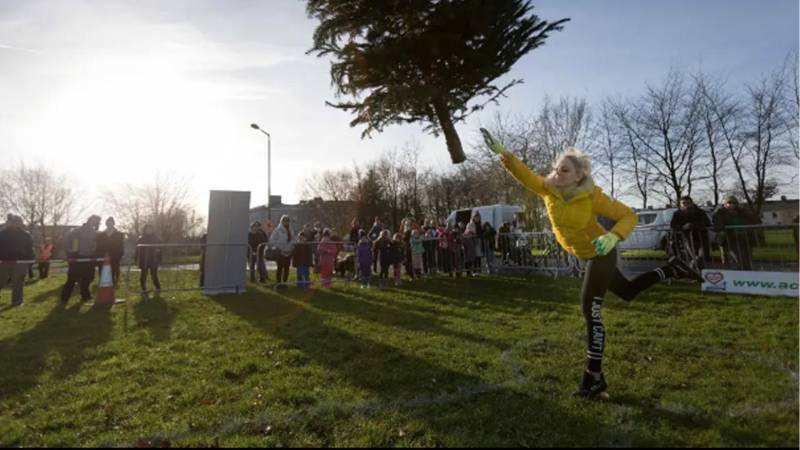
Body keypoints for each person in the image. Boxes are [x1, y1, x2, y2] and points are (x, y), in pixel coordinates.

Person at [487, 130, 701, 398]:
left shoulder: (592, 196)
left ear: (579, 175)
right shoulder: (547, 189)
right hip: (587, 255)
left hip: (602, 253)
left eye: (564, 170)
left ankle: (594, 378)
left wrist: (613, 236)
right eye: (555, 169)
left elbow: (627, 215)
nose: (556, 174)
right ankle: (672, 269)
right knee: (627, 291)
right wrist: (503, 154)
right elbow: (524, 174)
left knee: (590, 310)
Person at [61, 215, 101, 304]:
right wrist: (71, 253)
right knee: (72, 279)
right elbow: (67, 242)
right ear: (89, 220)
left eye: (97, 222)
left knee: (88, 278)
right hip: (77, 257)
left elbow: (95, 245)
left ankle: (85, 296)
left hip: (89, 258)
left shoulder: (95, 233)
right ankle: (64, 298)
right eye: (94, 221)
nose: (95, 223)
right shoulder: (77, 231)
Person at [712, 196, 760, 271]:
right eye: (729, 202)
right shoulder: (720, 212)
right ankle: (739, 273)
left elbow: (755, 220)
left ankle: (747, 273)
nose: (731, 204)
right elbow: (718, 223)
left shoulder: (741, 211)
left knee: (747, 257)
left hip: (744, 237)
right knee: (738, 257)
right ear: (725, 204)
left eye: (733, 202)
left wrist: (746, 211)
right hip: (730, 238)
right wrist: (722, 230)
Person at [0, 215, 34, 307]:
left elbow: (29, 249)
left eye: (18, 221)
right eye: (14, 221)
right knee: (1, 281)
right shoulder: (2, 234)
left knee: (18, 283)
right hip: (4, 262)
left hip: (20, 262)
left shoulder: (26, 235)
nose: (16, 223)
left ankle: (17, 302)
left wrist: (31, 260)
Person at [670, 196, 711, 272]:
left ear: (691, 203)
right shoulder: (677, 214)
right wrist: (682, 227)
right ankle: (695, 273)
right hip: (687, 238)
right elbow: (673, 225)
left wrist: (693, 225)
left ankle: (698, 272)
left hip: (701, 237)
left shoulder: (700, 212)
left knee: (702, 256)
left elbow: (707, 222)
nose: (686, 205)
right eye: (683, 203)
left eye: (688, 203)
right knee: (693, 257)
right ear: (680, 204)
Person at [96, 217, 125, 286]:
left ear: (113, 223)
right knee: (102, 269)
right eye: (108, 223)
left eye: (111, 223)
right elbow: (98, 246)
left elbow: (121, 245)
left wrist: (121, 254)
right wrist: (98, 255)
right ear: (106, 224)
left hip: (115, 255)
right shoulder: (101, 235)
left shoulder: (119, 234)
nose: (109, 224)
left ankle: (114, 282)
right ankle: (103, 282)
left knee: (114, 269)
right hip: (103, 255)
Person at [269, 215, 295, 288]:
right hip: (280, 251)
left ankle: (284, 283)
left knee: (287, 268)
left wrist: (292, 244)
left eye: (287, 221)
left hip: (289, 251)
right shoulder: (277, 230)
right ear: (281, 221)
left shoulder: (291, 230)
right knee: (280, 268)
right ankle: (278, 283)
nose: (286, 222)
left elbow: (293, 238)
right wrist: (279, 245)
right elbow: (272, 240)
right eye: (284, 221)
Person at [135, 224, 162, 293]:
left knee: (154, 275)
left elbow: (160, 249)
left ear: (152, 230)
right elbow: (137, 250)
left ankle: (158, 288)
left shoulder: (156, 238)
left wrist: (159, 258)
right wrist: (136, 259)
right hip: (144, 260)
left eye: (150, 229)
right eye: (147, 229)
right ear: (144, 230)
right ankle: (143, 289)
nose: (148, 230)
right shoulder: (141, 239)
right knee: (143, 275)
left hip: (153, 259)